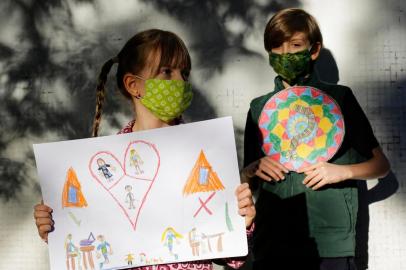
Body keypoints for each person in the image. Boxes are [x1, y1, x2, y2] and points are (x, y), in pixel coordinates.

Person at [33, 29, 255, 270]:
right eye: (167, 72)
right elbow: (87, 252)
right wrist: (55, 228)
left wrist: (243, 223)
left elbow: (231, 258)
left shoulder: (204, 158)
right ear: (133, 85)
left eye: (185, 73)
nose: (180, 81)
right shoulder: (100, 170)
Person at [241, 9, 390, 270]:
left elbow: (381, 166)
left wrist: (341, 172)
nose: (285, 54)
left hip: (332, 242)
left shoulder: (340, 99)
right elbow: (246, 183)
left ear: (313, 50)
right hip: (273, 241)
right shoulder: (259, 108)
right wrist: (252, 170)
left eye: (295, 45)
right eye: (277, 47)